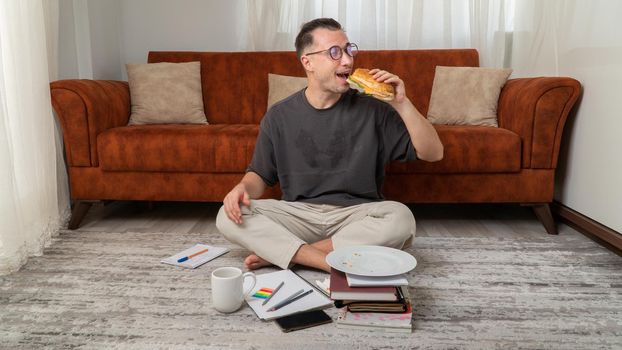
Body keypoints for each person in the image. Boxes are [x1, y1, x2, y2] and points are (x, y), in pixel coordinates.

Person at [216, 18, 443, 273]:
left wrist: (401, 103)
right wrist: (240, 189)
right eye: (335, 52)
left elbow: (434, 153)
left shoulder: (375, 108)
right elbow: (259, 175)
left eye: (348, 50)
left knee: (401, 219)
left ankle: (287, 254)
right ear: (308, 62)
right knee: (226, 215)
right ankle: (324, 260)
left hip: (356, 215)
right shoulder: (279, 116)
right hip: (298, 214)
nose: (347, 60)